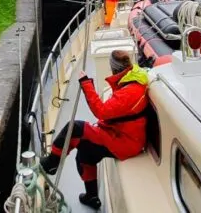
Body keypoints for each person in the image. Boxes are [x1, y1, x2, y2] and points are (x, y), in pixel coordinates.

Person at [39, 50, 149, 209]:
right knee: (84, 154)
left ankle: (51, 163)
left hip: (125, 141)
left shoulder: (130, 91)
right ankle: (92, 196)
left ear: (114, 68)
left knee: (74, 128)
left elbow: (102, 111)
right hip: (123, 135)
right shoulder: (133, 78)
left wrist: (85, 83)